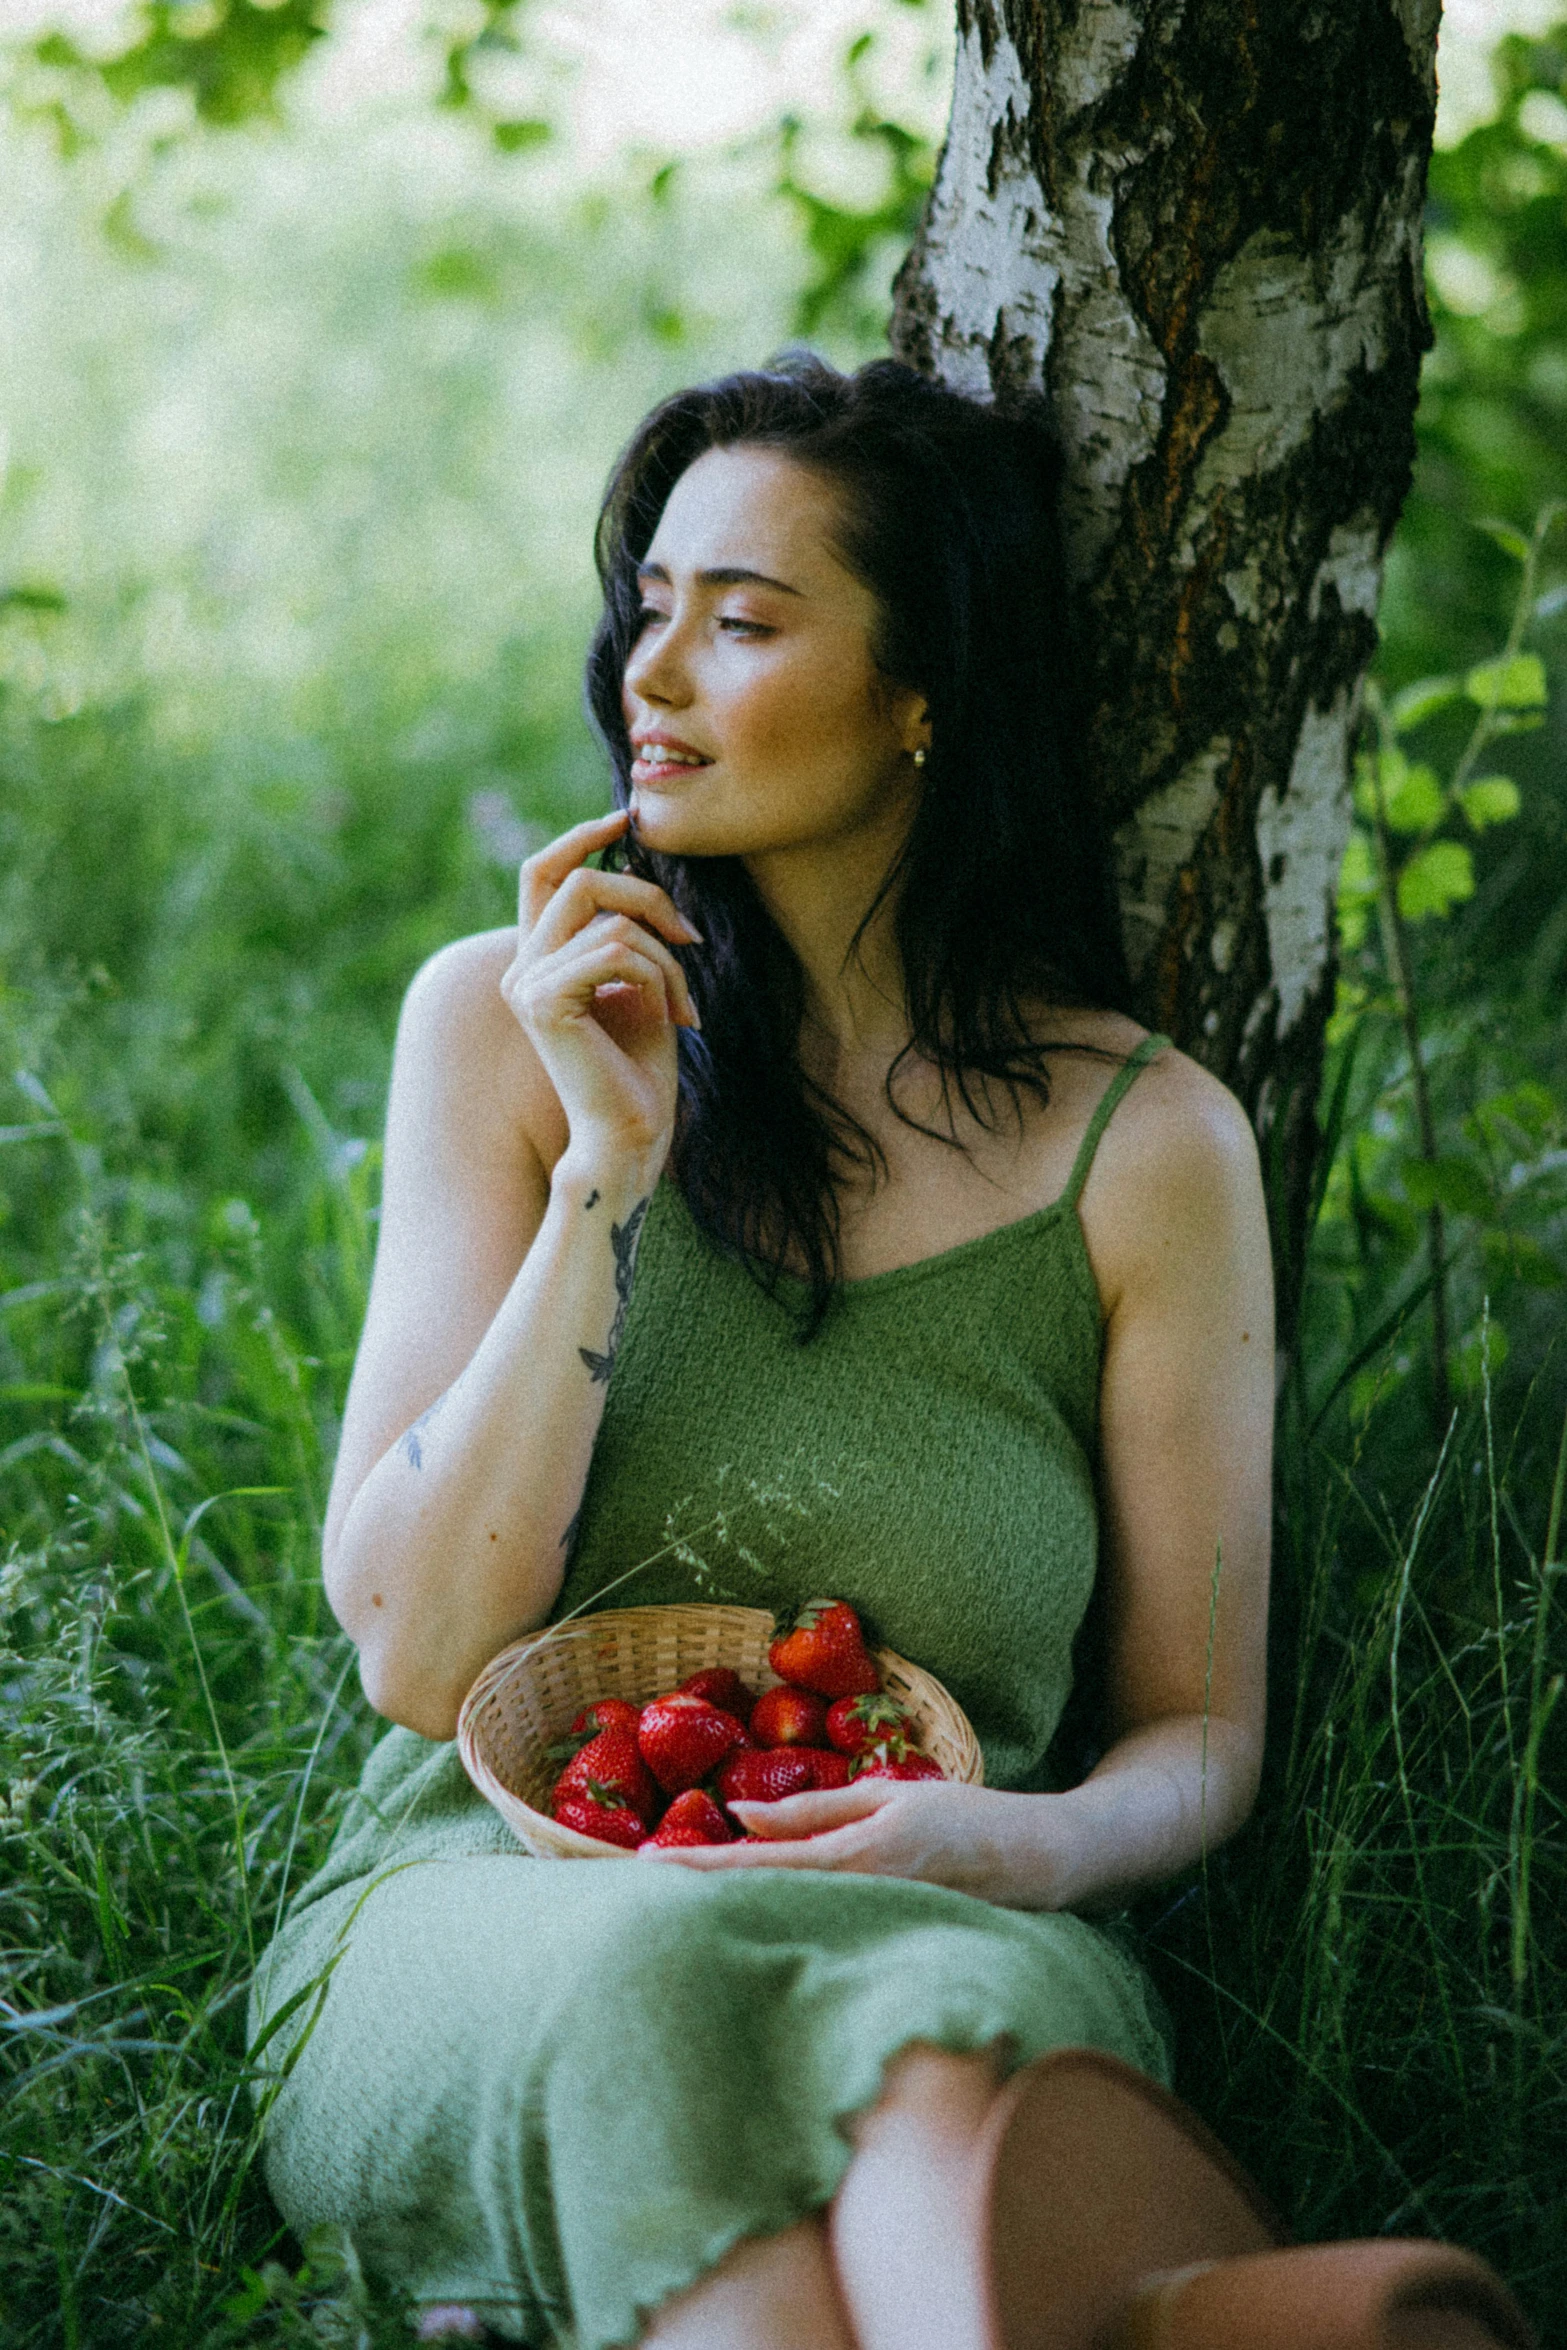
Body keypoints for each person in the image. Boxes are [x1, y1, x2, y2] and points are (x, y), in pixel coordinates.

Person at [248, 358, 1532, 2350]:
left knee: (930, 2067)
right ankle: (1185, 2315)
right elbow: (419, 1654)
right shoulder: (503, 1031)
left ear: (927, 692)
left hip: (948, 1911)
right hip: (489, 1919)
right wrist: (608, 1172)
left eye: (744, 622)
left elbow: (1203, 1729)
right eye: (648, 606)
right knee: (670, 1987)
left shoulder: (1152, 1145)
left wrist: (1025, 1840)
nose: (651, 675)